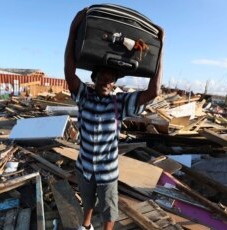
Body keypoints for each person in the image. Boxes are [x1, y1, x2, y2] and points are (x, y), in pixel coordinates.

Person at [64, 9, 164, 230]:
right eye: (102, 77)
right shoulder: (84, 96)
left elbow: (153, 91)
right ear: (95, 78)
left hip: (108, 171)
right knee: (88, 202)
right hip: (85, 167)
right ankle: (87, 226)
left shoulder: (120, 104)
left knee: (109, 208)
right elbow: (69, 72)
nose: (106, 82)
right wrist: (73, 31)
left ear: (114, 83)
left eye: (110, 80)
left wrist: (162, 47)